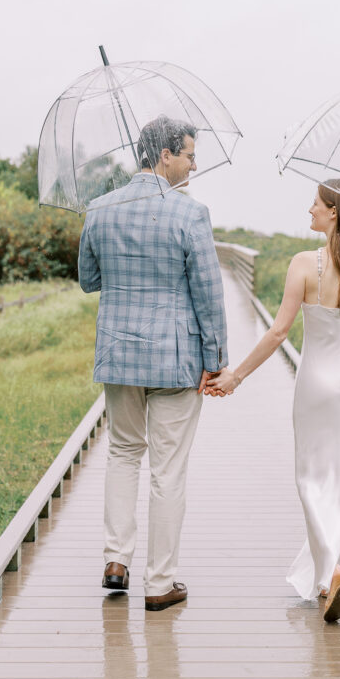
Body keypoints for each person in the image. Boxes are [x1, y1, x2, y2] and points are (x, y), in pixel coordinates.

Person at [206, 178, 340, 623]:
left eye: (317, 203)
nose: (310, 209)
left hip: (318, 382)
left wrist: (236, 376)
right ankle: (328, 580)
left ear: (335, 214)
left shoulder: (305, 264)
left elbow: (278, 332)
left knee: (311, 478)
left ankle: (330, 574)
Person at [78, 115, 227, 610]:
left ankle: (116, 560)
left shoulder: (98, 209)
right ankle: (160, 584)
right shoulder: (190, 214)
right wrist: (217, 360)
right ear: (164, 155)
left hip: (119, 352)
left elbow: (88, 278)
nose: (193, 163)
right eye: (188, 154)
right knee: (168, 470)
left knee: (123, 452)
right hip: (176, 356)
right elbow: (208, 294)